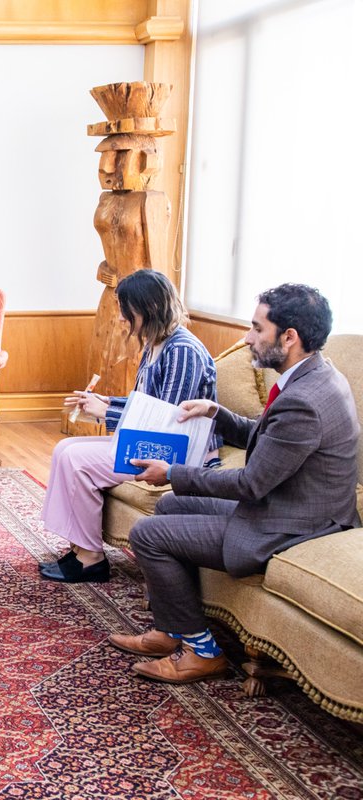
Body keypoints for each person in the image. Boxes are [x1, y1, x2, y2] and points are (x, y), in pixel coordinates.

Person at [111, 283, 359, 684]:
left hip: (292, 523)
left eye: (257, 328)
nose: (247, 338)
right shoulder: (312, 376)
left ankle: (202, 651)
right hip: (288, 504)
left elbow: (250, 484)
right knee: (170, 506)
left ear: (289, 337)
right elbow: (267, 437)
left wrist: (172, 473)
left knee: (148, 534)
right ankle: (171, 630)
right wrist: (216, 413)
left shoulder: (305, 400)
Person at [39, 269, 220, 583]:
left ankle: (91, 559)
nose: (121, 318)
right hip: (154, 441)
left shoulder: (181, 352)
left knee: (75, 459)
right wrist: (104, 403)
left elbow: (167, 423)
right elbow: (146, 405)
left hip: (176, 453)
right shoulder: (157, 343)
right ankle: (80, 546)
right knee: (65, 448)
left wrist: (106, 413)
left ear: (146, 310)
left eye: (126, 311)